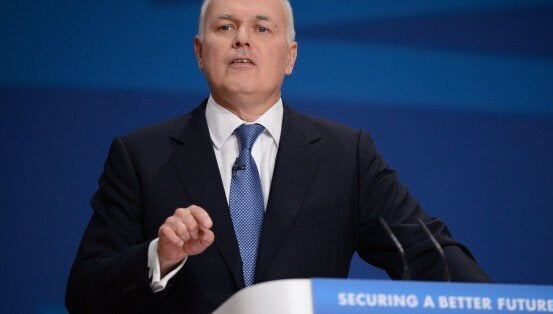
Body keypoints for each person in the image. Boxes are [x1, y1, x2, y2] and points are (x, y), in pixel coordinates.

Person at [66, 0, 491, 312]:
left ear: (290, 57)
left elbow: (427, 257)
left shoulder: (347, 156)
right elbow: (84, 293)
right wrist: (160, 255)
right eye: (226, 26)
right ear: (199, 51)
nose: (242, 39)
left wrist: (504, 305)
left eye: (262, 28)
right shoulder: (140, 156)